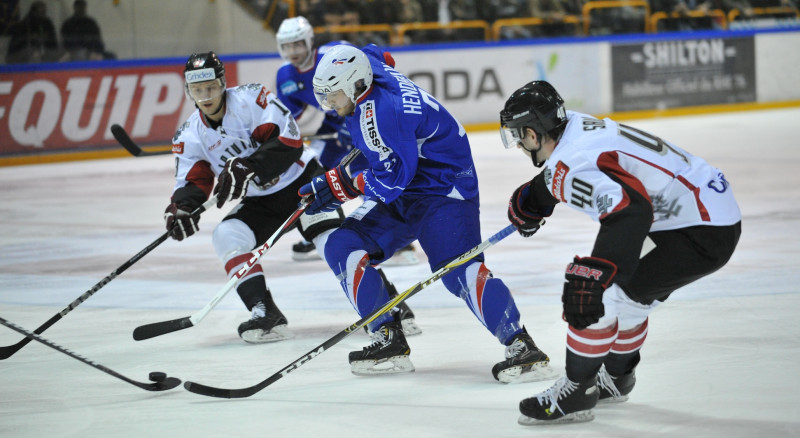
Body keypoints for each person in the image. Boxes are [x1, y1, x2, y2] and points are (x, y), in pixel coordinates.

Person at [299, 44, 555, 382]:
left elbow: (390, 183)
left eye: (336, 96)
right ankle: (388, 337)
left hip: (443, 190)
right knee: (342, 245)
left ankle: (522, 346)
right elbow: (377, 52)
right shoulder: (367, 69)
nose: (331, 105)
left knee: (458, 271)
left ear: (357, 85)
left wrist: (343, 183)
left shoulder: (383, 115)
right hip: (411, 184)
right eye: (327, 97)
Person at [498, 81, 741, 424]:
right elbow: (568, 170)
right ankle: (616, 379)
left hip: (698, 231)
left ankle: (577, 391)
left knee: (600, 297)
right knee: (629, 298)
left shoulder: (571, 160)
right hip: (709, 211)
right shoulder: (576, 126)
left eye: (519, 137)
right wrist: (532, 200)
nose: (520, 146)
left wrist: (598, 273)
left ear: (533, 134)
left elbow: (630, 210)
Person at [165, 51, 349, 343]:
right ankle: (265, 312)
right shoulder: (190, 135)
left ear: (223, 83)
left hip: (304, 183)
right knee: (227, 234)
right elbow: (194, 180)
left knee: (332, 242)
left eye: (211, 87)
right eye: (198, 90)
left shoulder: (253, 99)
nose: (206, 96)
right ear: (189, 91)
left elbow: (288, 142)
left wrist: (250, 166)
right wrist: (182, 208)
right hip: (262, 202)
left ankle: (386, 304)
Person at [274, 16, 422, 268]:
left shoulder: (334, 54)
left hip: (365, 116)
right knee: (315, 173)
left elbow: (374, 80)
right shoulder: (285, 75)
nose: (293, 52)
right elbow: (287, 118)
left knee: (375, 171)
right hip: (335, 124)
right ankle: (321, 228)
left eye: (298, 44)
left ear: (310, 41)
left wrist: (357, 122)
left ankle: (396, 238)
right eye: (287, 46)